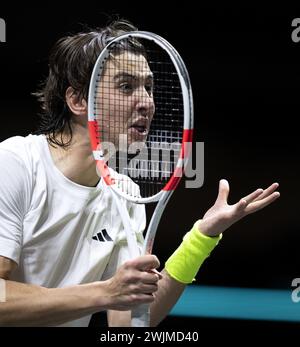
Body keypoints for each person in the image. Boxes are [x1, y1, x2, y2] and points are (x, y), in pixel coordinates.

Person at [0, 19, 280, 327]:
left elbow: (128, 323)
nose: (146, 102)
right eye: (125, 86)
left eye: (148, 87)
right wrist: (106, 291)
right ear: (78, 100)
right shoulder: (16, 164)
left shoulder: (126, 194)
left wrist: (200, 239)